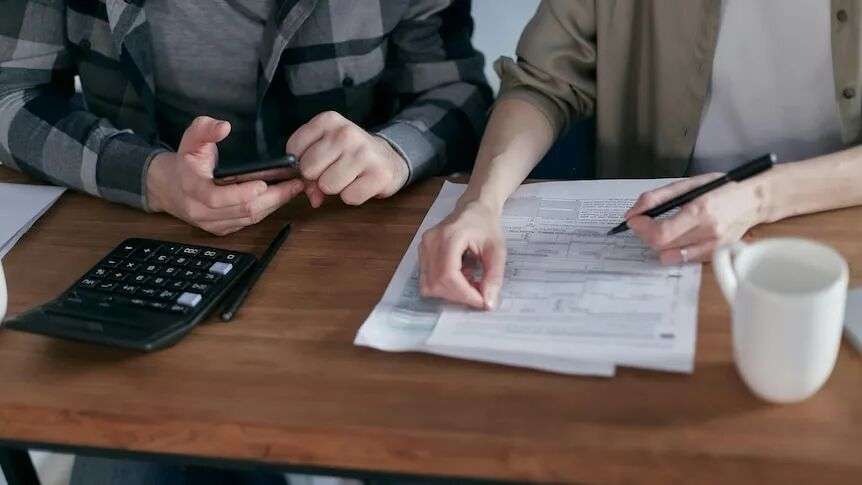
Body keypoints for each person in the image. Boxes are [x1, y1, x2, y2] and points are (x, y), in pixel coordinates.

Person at [420, 0, 862, 310]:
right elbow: (542, 83)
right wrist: (482, 202)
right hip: (660, 240)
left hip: (833, 229)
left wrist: (760, 197)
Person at [0, 0, 492, 236]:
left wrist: (393, 152)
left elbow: (457, 90)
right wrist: (152, 177)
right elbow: (11, 94)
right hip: (143, 229)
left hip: (346, 229)